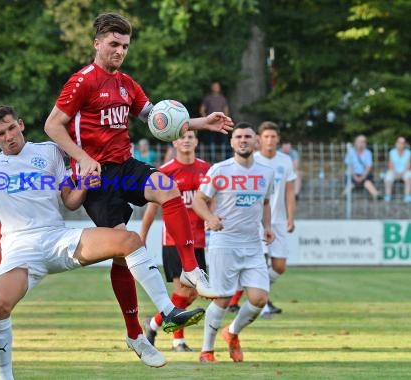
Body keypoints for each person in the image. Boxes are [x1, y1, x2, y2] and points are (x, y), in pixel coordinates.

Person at [0, 105, 207, 378]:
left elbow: (70, 202)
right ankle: (5, 376)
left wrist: (84, 184)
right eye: (1, 134)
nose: (9, 136)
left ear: (20, 125)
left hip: (58, 238)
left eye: (11, 128)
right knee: (0, 306)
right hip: (19, 248)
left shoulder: (49, 152)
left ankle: (166, 313)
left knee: (130, 241)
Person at [44, 12, 233, 363]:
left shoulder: (127, 84)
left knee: (168, 187)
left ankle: (191, 270)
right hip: (98, 177)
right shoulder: (82, 81)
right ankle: (135, 334)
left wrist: (201, 123)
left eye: (125, 46)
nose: (119, 51)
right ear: (97, 43)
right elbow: (53, 125)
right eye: (114, 44)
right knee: (122, 249)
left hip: (125, 165)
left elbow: (158, 121)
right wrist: (82, 159)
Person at [191, 122, 275, 363]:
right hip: (224, 243)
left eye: (248, 136)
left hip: (253, 244)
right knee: (223, 298)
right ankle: (206, 350)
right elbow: (199, 200)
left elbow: (266, 202)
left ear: (256, 141)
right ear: (231, 142)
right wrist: (210, 217)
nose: (243, 140)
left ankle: (232, 332)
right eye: (238, 137)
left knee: (259, 298)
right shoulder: (220, 170)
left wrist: (267, 227)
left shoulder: (265, 172)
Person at [139, 130, 211, 352]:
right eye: (182, 137)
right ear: (175, 142)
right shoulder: (165, 171)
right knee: (183, 290)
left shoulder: (207, 169)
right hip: (173, 241)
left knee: (191, 294)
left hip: (198, 242)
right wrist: (142, 236)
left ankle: (153, 324)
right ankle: (177, 341)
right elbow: (152, 208)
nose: (186, 140)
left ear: (196, 141)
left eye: (191, 137)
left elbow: (213, 200)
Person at [254, 122, 296, 318]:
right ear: (259, 139)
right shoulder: (252, 160)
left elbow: (290, 192)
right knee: (261, 264)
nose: (270, 140)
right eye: (266, 136)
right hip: (257, 221)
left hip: (278, 221)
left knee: (279, 266)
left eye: (273, 136)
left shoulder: (286, 161)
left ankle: (256, 290)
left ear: (278, 139)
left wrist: (291, 217)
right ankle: (263, 306)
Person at [199, 81, 231, 161]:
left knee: (224, 140)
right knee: (211, 141)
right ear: (212, 87)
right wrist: (206, 119)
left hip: (221, 123)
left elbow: (226, 110)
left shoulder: (222, 98)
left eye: (217, 86)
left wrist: (225, 119)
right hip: (211, 123)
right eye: (214, 86)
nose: (216, 88)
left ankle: (226, 158)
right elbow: (202, 109)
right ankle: (212, 159)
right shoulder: (208, 98)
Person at [384, 136, 411, 203]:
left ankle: (407, 196)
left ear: (404, 144)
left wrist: (402, 173)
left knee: (409, 177)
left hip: (405, 171)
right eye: (399, 142)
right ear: (396, 143)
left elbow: (408, 165)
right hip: (394, 171)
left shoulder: (408, 152)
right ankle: (388, 195)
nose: (401, 144)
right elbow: (390, 165)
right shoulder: (392, 152)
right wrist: (395, 173)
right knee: (388, 177)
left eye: (402, 143)